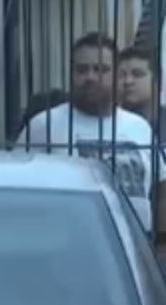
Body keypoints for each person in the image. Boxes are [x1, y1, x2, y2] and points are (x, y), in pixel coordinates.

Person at [17, 33, 166, 234]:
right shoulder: (44, 125)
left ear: (116, 75)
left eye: (101, 69)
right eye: (82, 69)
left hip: (135, 244)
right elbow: (17, 187)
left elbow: (160, 188)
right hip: (68, 241)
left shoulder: (139, 127)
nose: (90, 77)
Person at [119, 46, 166, 142]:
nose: (128, 81)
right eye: (121, 75)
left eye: (137, 74)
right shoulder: (103, 125)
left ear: (158, 81)